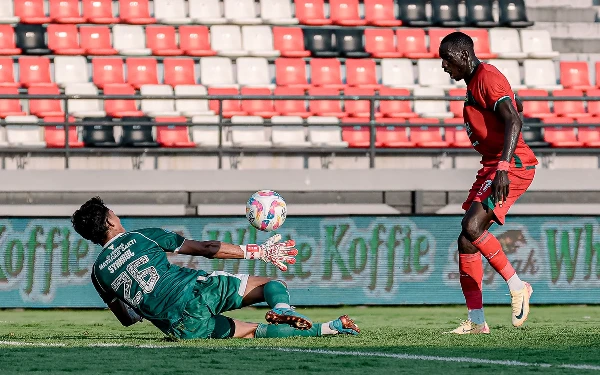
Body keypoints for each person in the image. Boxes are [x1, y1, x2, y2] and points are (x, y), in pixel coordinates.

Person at [71, 197, 359, 339]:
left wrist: (144, 302)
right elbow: (206, 249)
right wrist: (258, 251)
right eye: (112, 212)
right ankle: (282, 309)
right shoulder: (140, 236)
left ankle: (330, 329)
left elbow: (128, 320)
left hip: (181, 326)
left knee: (254, 332)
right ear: (109, 221)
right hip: (198, 291)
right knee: (273, 286)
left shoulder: (98, 274)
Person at [439, 32, 538, 334]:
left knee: (472, 227)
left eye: (448, 58)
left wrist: (504, 169)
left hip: (511, 165)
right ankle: (477, 321)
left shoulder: (487, 77)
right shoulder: (474, 86)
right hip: (492, 165)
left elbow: (514, 120)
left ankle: (517, 286)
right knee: (466, 239)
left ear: (464, 56)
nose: (444, 66)